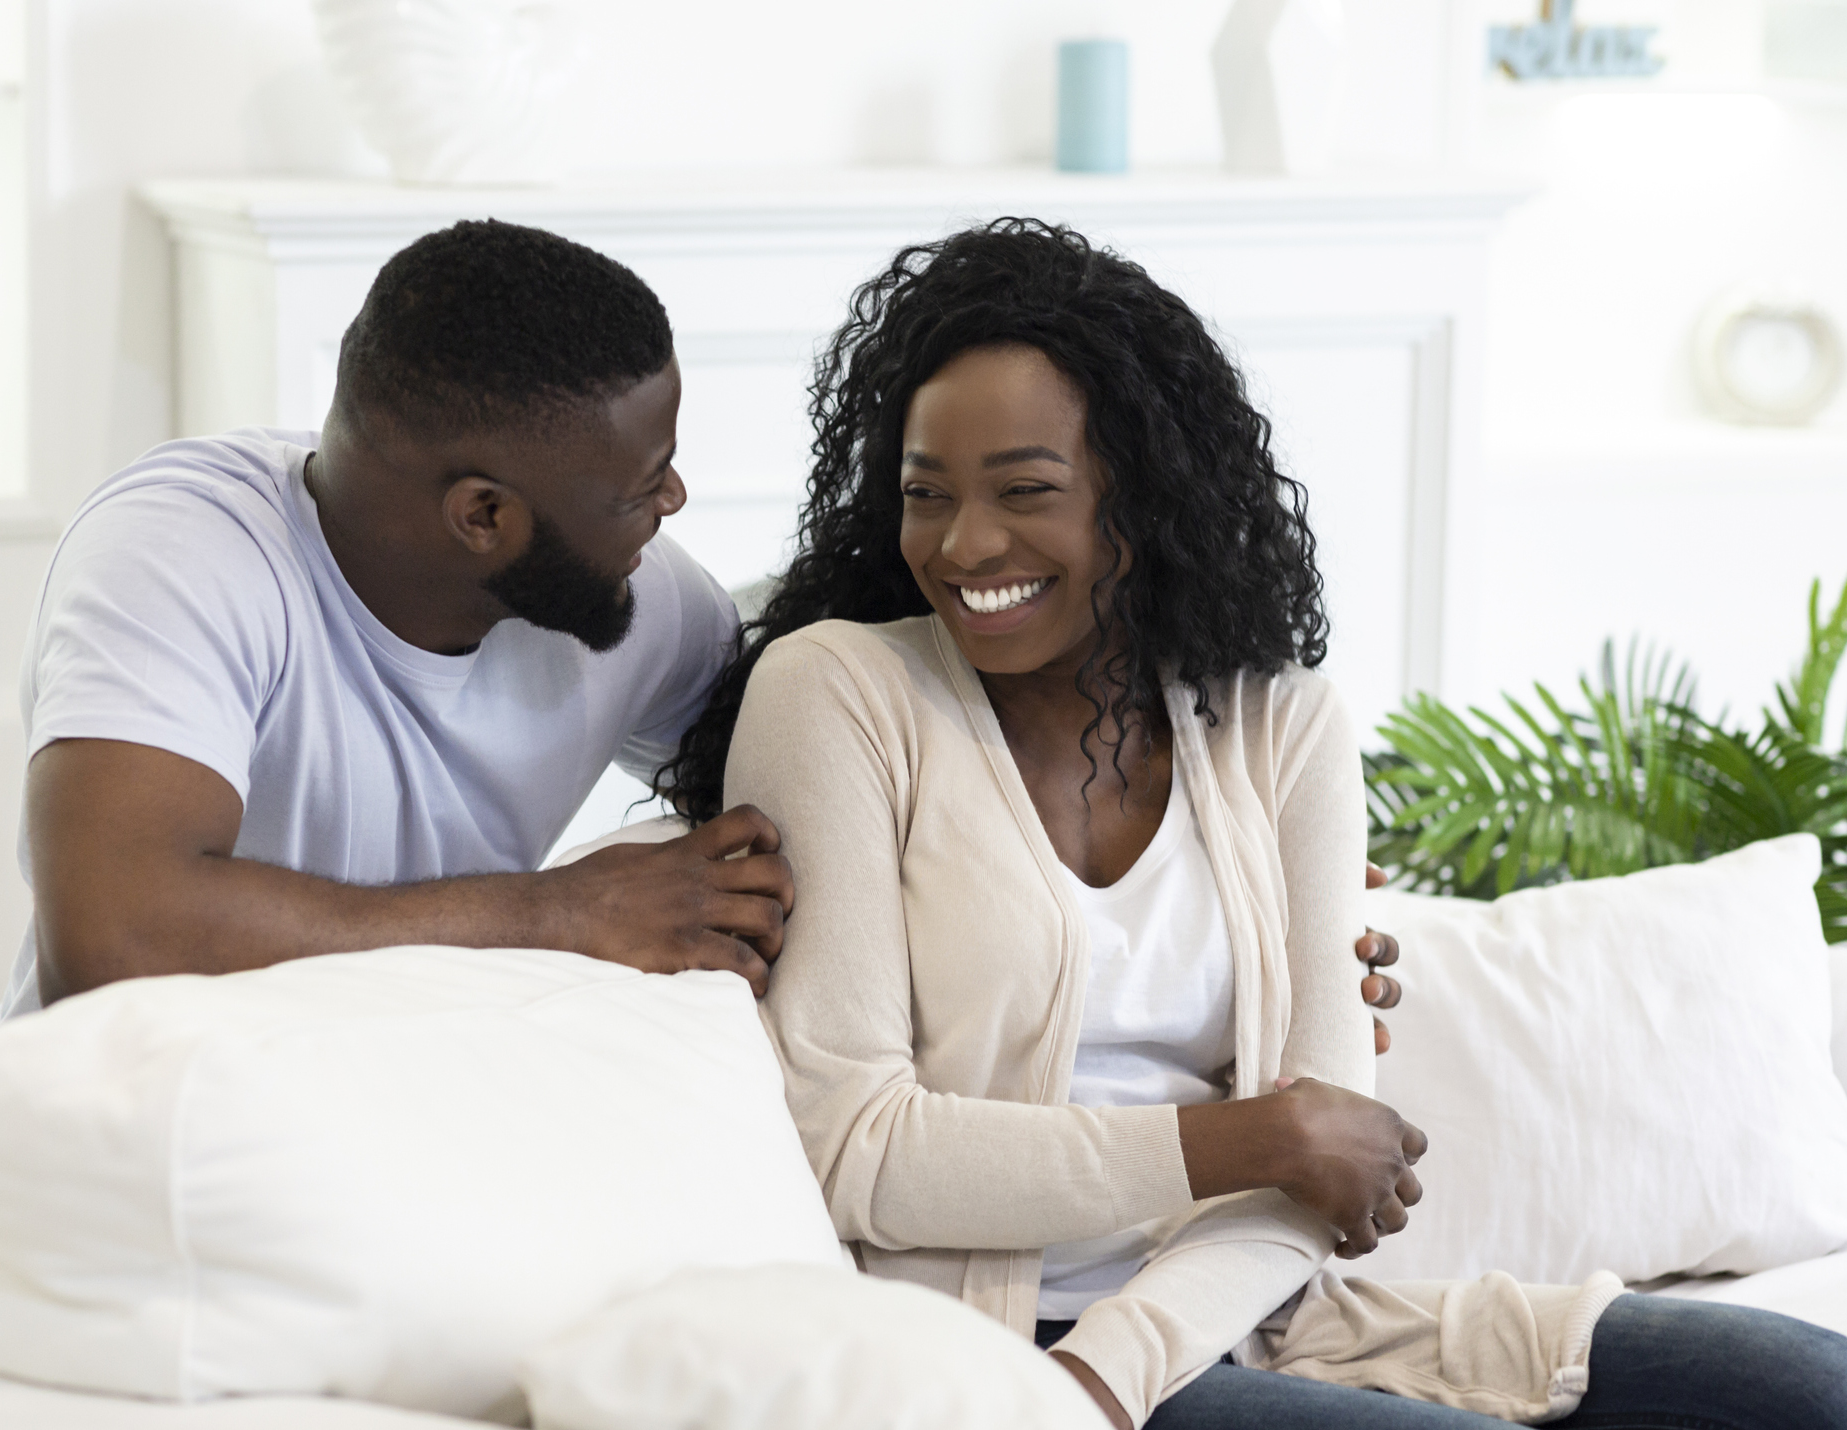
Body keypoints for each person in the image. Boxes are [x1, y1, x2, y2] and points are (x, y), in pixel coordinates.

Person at [661, 219, 1847, 1429]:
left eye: (1026, 490)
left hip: (1254, 1309)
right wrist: (1255, 1137)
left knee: (1808, 1386)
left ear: (1146, 492)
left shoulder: (1283, 724)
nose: (965, 544)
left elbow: (1334, 1157)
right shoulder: (841, 693)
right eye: (927, 495)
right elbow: (860, 1147)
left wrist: (1119, 1364)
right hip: (986, 1336)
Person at [0, 217, 1400, 1042]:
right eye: (634, 482)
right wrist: (551, 914)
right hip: (123, 1105)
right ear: (484, 516)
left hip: (385, 1099)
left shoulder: (637, 605)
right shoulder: (186, 549)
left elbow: (873, 773)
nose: (675, 495)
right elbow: (121, 924)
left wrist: (1253, 915)